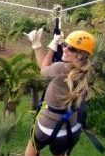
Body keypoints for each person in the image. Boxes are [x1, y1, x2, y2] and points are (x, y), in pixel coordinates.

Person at [24, 28, 96, 156]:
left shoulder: (61, 68)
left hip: (47, 127)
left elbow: (44, 69)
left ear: (81, 55)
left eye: (71, 49)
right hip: (69, 130)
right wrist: (62, 44)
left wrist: (40, 45)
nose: (65, 49)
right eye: (65, 45)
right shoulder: (88, 70)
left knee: (32, 148)